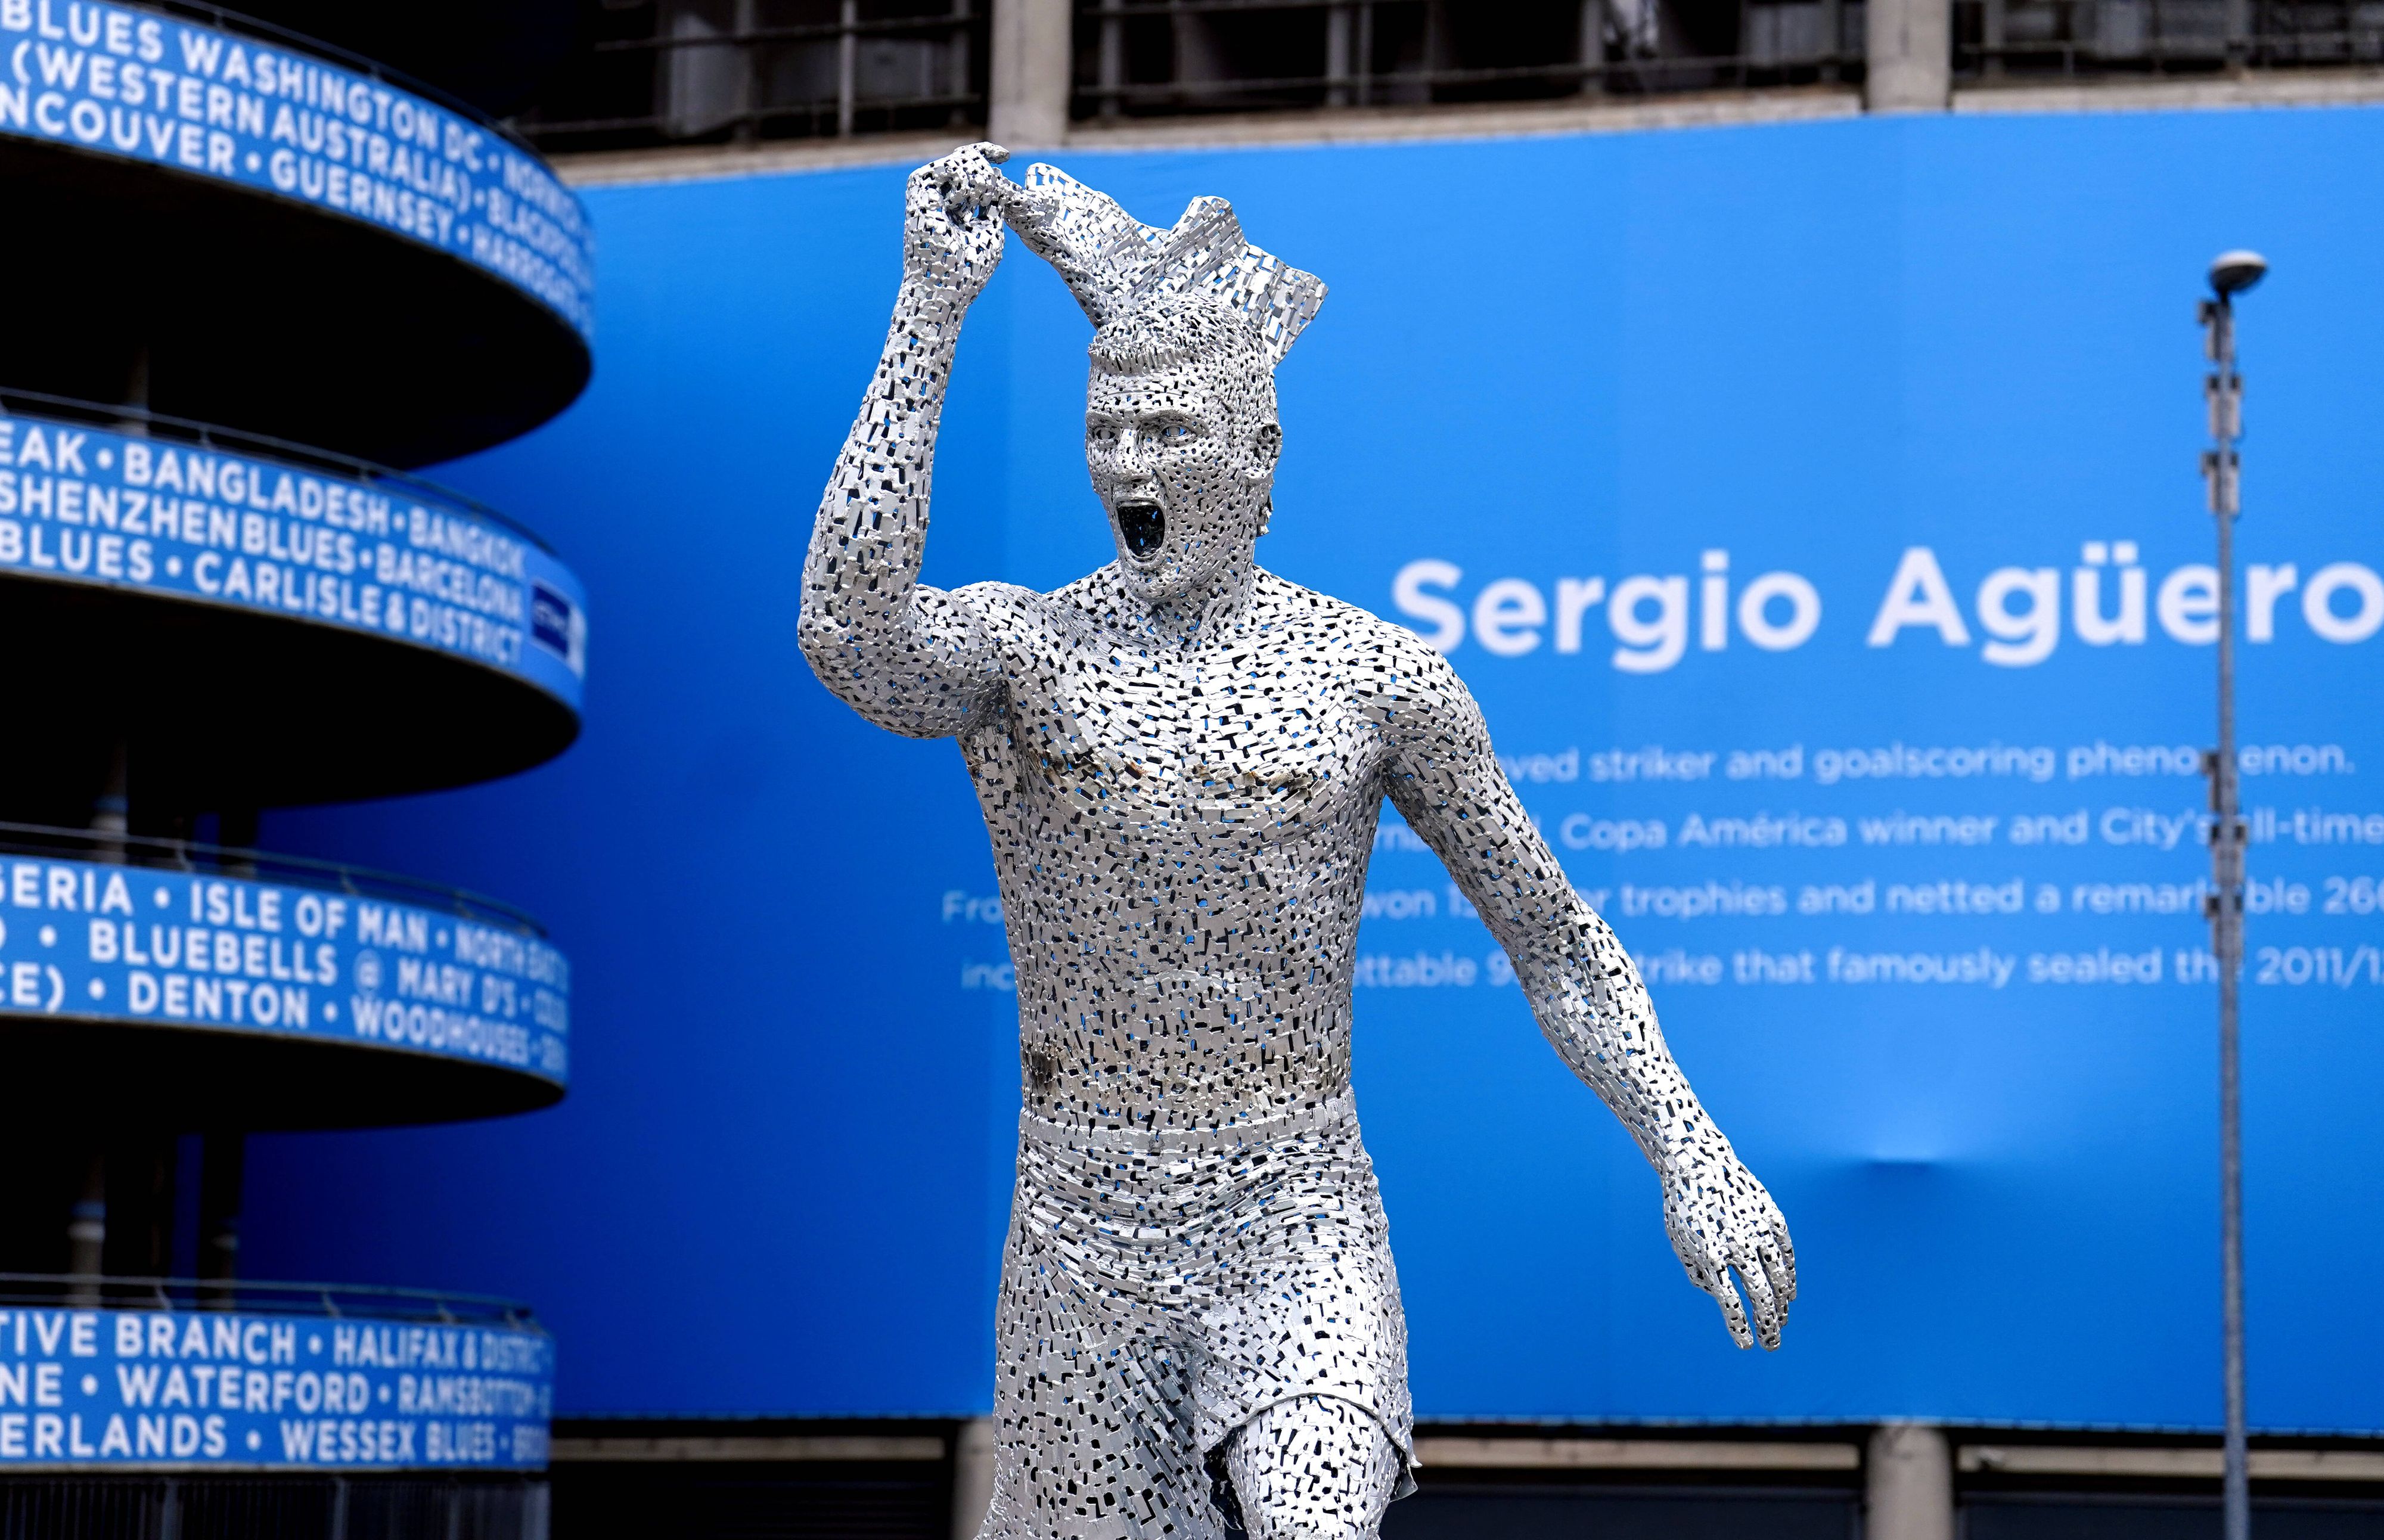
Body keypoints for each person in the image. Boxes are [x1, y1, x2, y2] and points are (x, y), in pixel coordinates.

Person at [800, 142, 1795, 1540]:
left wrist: (1689, 1149)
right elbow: (850, 637)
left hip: (1293, 1212)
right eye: (1107, 430)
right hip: (1079, 1234)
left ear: (1259, 451)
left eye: (1168, 433)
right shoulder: (1028, 653)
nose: (1126, 465)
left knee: (1315, 1517)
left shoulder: (1373, 677)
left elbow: (1557, 943)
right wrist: (927, 314)